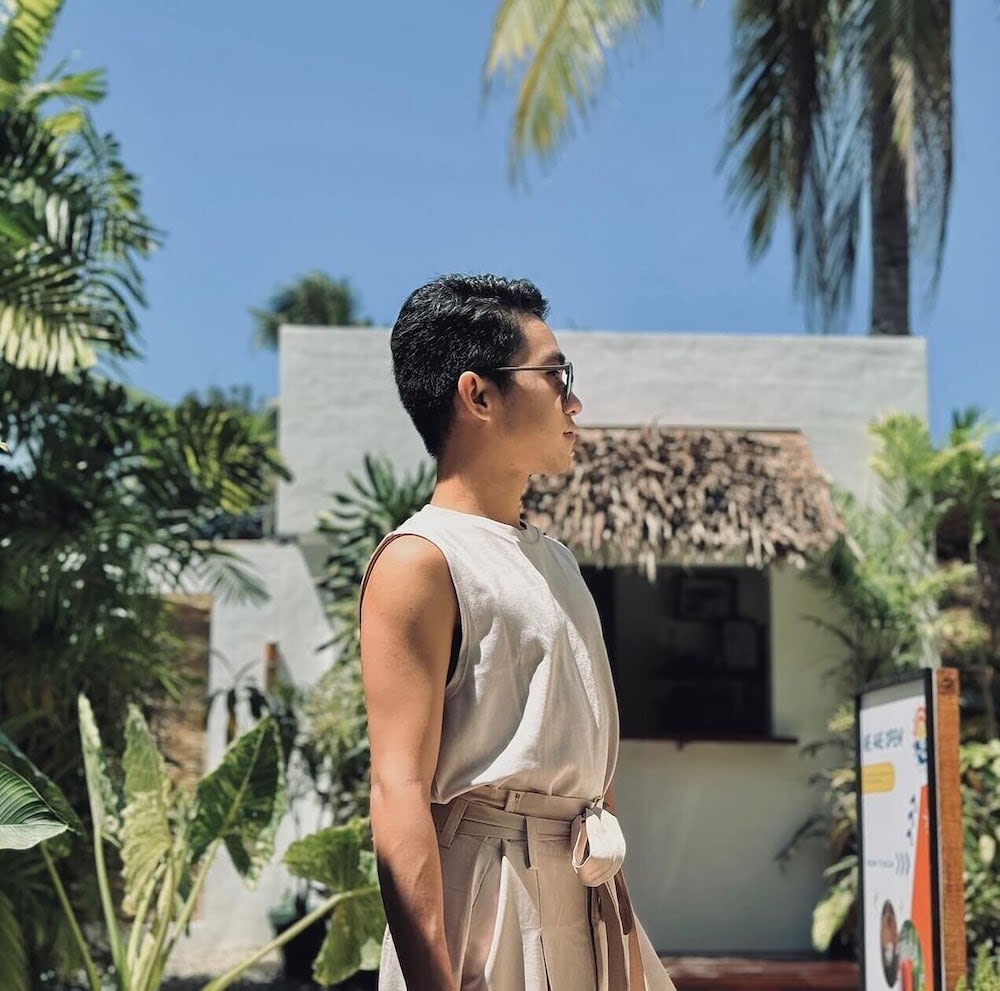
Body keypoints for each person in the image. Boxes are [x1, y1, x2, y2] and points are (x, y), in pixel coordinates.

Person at [359, 274, 675, 991]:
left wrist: (622, 937)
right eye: (556, 375)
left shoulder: (556, 560)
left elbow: (592, 775)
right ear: (478, 395)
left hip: (587, 893)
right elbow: (398, 787)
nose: (574, 401)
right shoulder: (420, 560)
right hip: (488, 903)